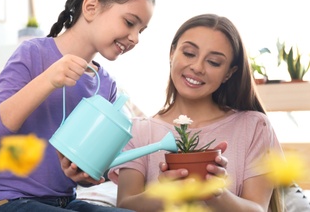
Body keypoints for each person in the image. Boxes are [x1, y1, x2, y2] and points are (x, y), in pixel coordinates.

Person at [0, 0, 155, 212]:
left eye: (141, 30)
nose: (135, 38)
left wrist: (88, 176)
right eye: (130, 22)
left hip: (66, 202)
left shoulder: (108, 87)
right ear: (90, 8)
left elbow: (91, 169)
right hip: (8, 201)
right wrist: (48, 80)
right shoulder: (32, 55)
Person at [108, 14, 284, 211]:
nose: (197, 67)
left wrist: (216, 194)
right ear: (172, 53)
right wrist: (164, 193)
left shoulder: (254, 126)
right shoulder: (139, 131)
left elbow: (258, 209)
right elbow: (124, 205)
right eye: (190, 53)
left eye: (214, 62)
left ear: (229, 73)